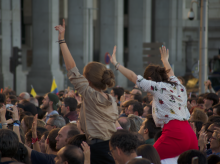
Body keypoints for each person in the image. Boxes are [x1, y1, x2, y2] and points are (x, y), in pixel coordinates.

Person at [108, 45, 198, 161]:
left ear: (150, 79)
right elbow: (171, 73)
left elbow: (133, 76)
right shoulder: (178, 85)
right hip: (189, 133)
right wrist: (165, 60)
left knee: (145, 160)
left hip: (174, 133)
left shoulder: (157, 87)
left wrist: (116, 64)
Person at [55, 19, 118, 164]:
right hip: (110, 147)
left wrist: (62, 39)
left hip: (98, 149)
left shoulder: (90, 95)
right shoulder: (111, 99)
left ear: (87, 81)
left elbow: (71, 68)